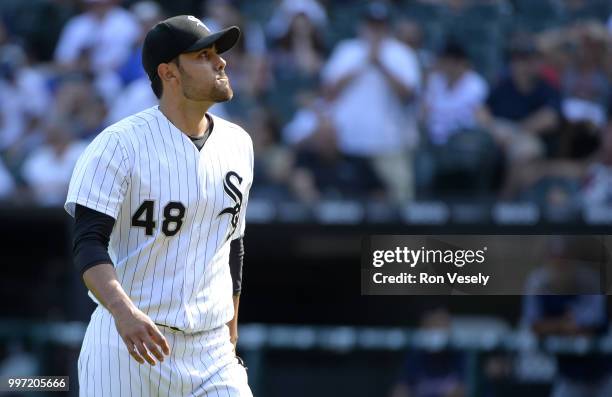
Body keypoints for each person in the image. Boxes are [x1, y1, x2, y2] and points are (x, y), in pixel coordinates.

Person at [64, 15, 253, 396]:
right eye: (203, 55)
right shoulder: (118, 145)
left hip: (210, 351)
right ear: (170, 73)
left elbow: (232, 245)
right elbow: (88, 243)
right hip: (126, 344)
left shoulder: (238, 143)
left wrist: (231, 331)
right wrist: (123, 311)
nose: (221, 62)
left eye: (218, 53)